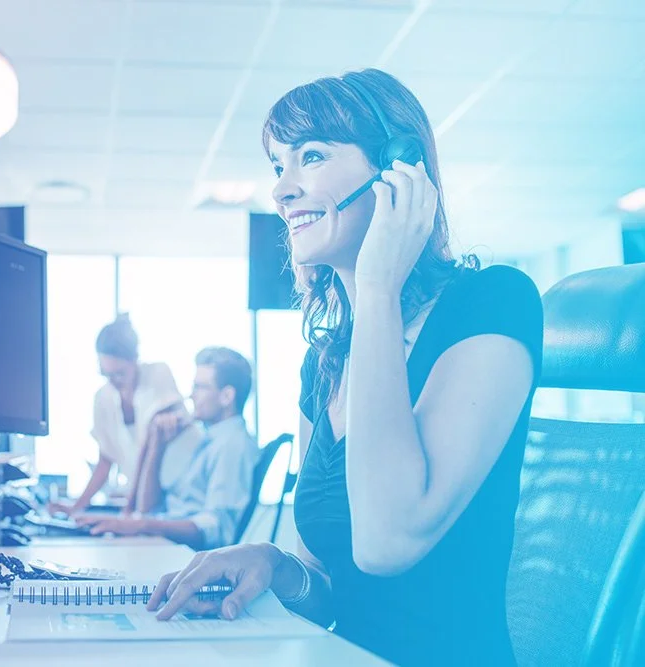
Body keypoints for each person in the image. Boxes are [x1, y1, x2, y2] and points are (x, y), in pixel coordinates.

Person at [147, 68, 543, 667]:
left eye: (311, 155)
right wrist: (276, 565)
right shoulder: (325, 362)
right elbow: (328, 585)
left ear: (398, 168)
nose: (281, 190)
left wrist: (378, 284)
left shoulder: (492, 303)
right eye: (277, 165)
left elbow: (387, 541)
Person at [78, 347, 259, 550]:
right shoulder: (208, 442)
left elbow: (215, 529)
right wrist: (157, 444)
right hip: (165, 546)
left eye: (200, 387)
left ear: (226, 396)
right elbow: (147, 508)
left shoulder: (232, 445)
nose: (191, 395)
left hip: (184, 557)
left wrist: (141, 525)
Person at [51, 314, 184, 516]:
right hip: (141, 502)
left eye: (120, 373)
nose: (114, 380)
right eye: (106, 374)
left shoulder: (158, 374)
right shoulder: (103, 398)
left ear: (135, 359)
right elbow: (106, 460)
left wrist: (129, 510)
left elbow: (149, 447)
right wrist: (77, 507)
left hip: (171, 496)